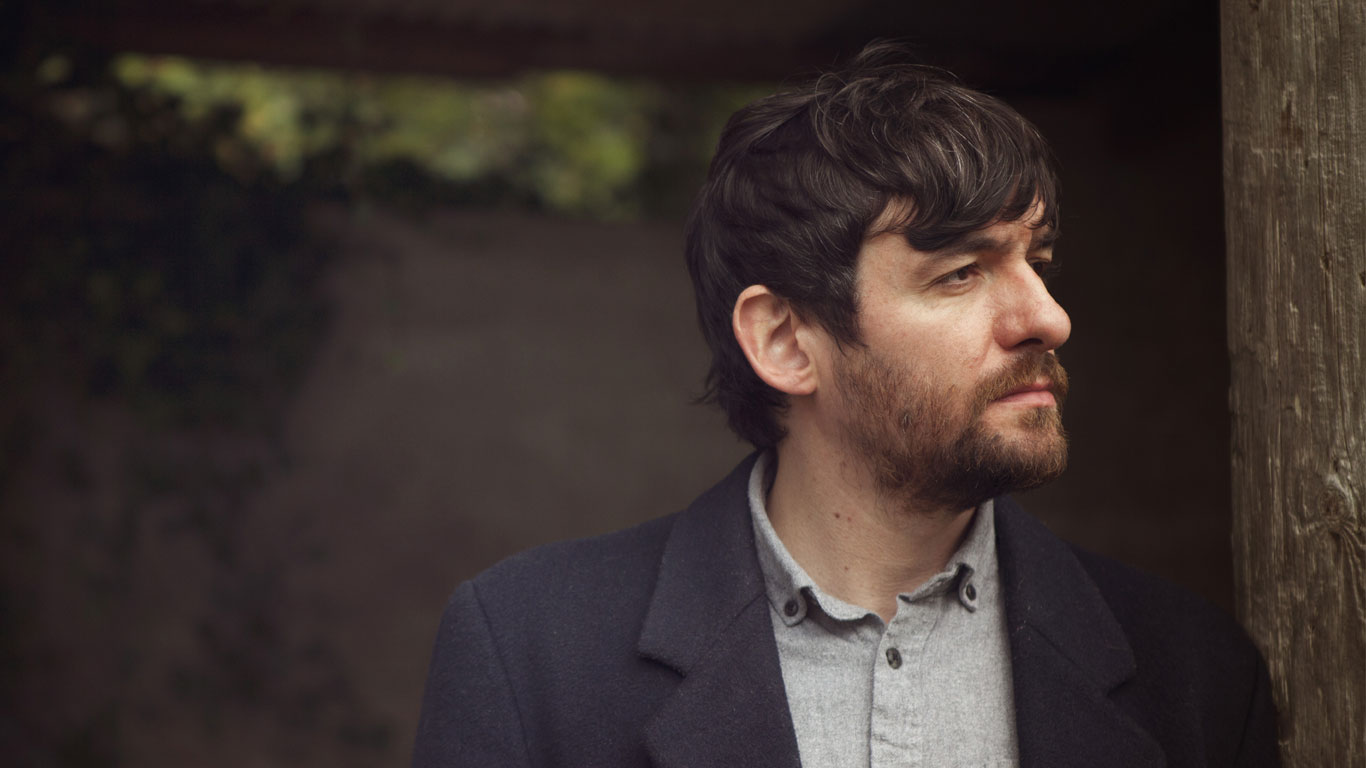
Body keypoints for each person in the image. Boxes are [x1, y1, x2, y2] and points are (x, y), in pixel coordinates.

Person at [412, 42, 1279, 768]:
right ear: (786, 341)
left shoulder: (1194, 674)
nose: (1048, 318)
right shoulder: (529, 651)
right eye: (961, 273)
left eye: (1037, 263)